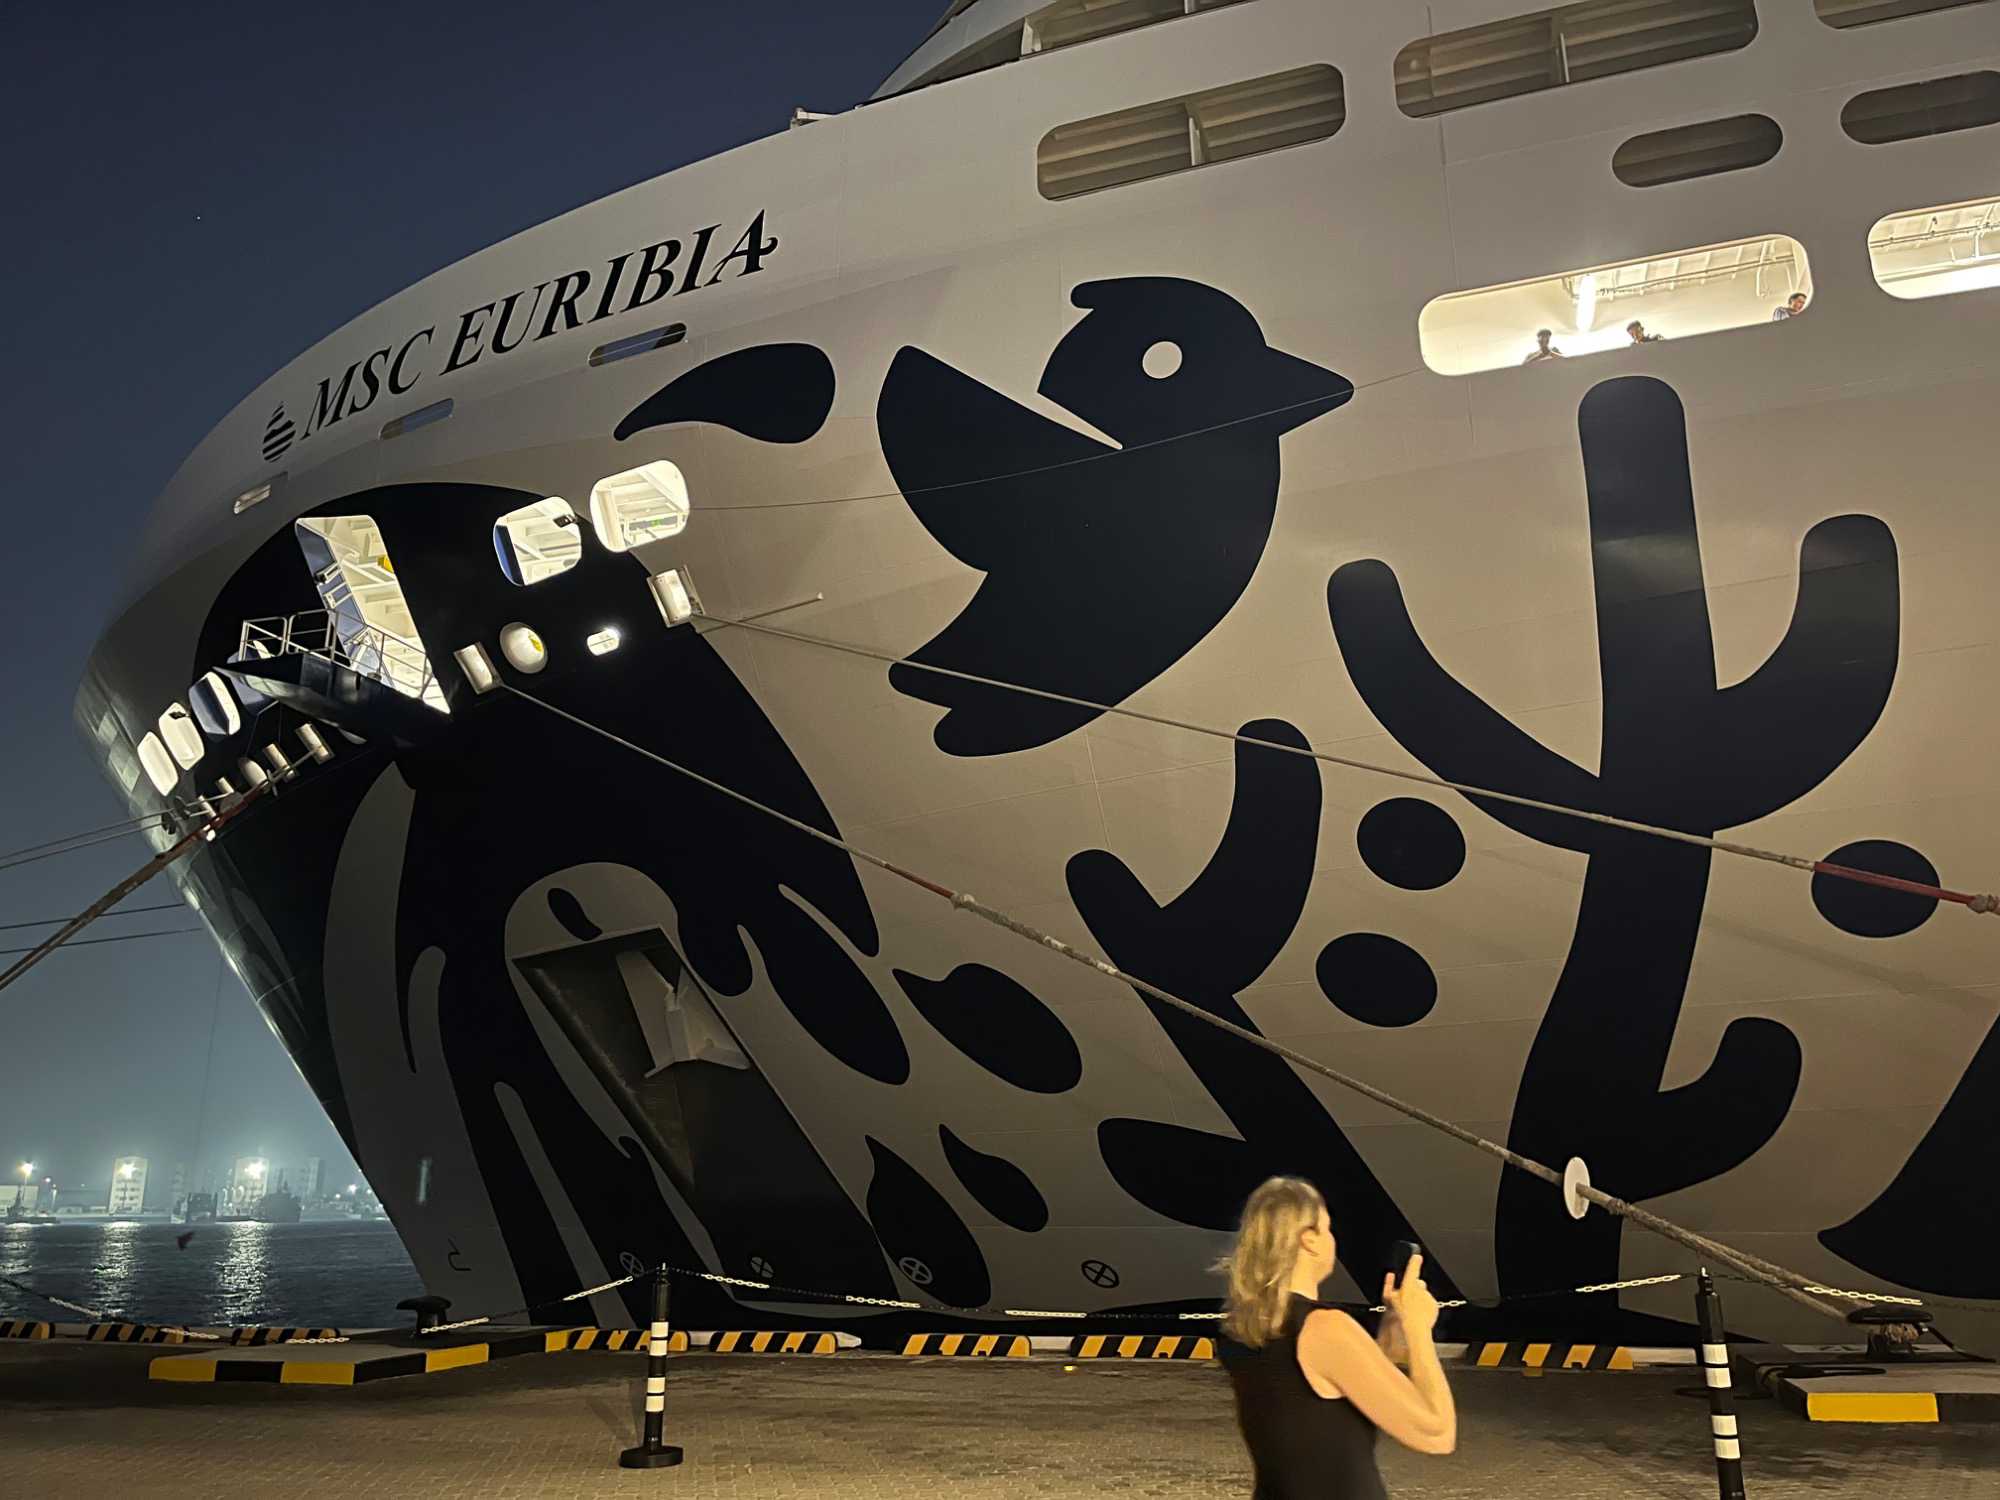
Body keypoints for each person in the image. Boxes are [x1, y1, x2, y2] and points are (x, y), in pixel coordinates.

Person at [1218, 1177, 1456, 1499]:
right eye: (1327, 1229)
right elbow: (1437, 1434)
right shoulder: (1324, 1328)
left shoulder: (1242, 1329)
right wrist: (1418, 1328)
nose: (1332, 1240)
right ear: (1309, 1240)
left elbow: (1321, 1401)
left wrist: (1388, 1337)